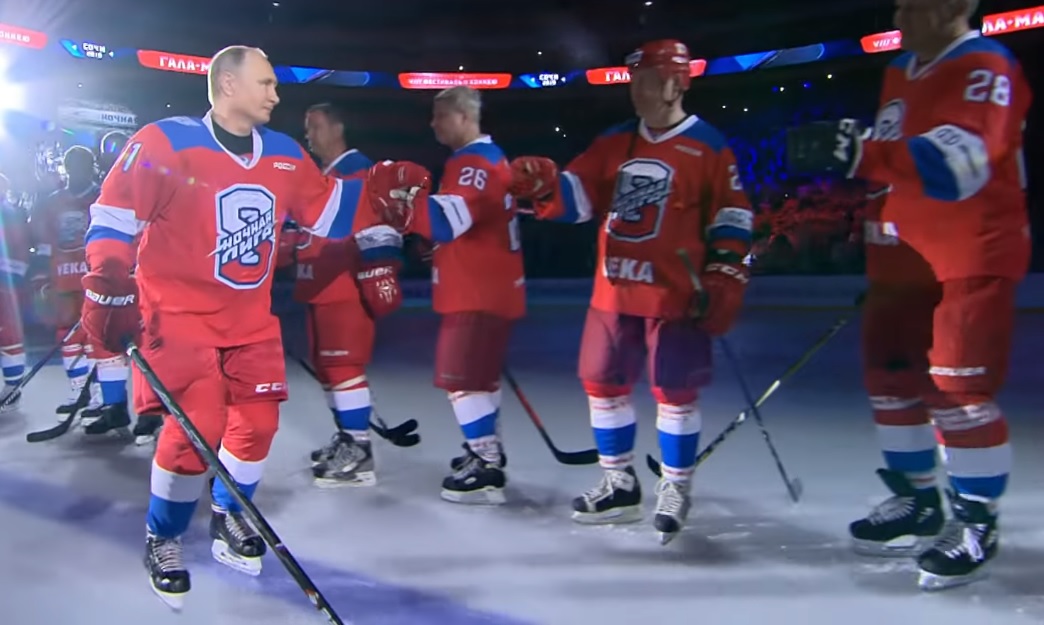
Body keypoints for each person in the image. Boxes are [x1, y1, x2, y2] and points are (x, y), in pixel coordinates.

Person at [81, 45, 415, 609]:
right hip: (179, 318)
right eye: (265, 83)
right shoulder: (164, 142)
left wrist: (380, 199)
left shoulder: (284, 154)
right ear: (228, 86)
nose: (276, 95)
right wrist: (108, 275)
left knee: (257, 426)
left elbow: (329, 214)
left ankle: (228, 515)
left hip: (250, 321)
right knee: (196, 429)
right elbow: (113, 216)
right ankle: (163, 537)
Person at [788, 0, 1029, 591]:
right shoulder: (900, 69)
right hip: (901, 257)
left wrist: (860, 152)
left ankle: (976, 519)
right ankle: (919, 500)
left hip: (966, 255)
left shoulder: (986, 65)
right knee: (891, 380)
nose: (901, 14)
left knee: (958, 390)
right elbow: (894, 161)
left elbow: (962, 163)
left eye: (915, 3)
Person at [509, 39, 753, 544]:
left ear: (676, 83)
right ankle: (619, 483)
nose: (636, 91)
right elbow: (578, 195)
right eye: (633, 81)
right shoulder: (614, 141)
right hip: (614, 291)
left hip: (674, 298)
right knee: (602, 384)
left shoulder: (708, 146)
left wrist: (724, 272)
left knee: (675, 393)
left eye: (646, 81)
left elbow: (732, 215)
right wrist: (546, 185)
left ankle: (676, 486)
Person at [367, 86, 525, 505]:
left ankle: (486, 462)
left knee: (460, 379)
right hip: (488, 288)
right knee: (479, 379)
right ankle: (485, 449)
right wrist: (436, 242)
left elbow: (446, 221)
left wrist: (409, 204)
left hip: (477, 292)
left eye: (440, 115)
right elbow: (468, 225)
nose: (433, 124)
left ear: (463, 117)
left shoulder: (473, 163)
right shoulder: (485, 157)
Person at [286, 102, 400, 487]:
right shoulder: (326, 174)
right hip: (319, 285)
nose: (308, 135)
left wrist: (380, 270)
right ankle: (348, 438)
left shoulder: (358, 170)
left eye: (315, 126)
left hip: (344, 287)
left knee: (344, 367)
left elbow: (379, 227)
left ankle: (359, 452)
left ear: (338, 129)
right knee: (328, 368)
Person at [29, 146, 103, 423]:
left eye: (84, 165)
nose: (78, 171)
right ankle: (78, 390)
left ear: (91, 167)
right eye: (73, 165)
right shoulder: (52, 202)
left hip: (92, 278)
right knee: (67, 336)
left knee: (95, 337)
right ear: (67, 168)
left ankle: (97, 395)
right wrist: (41, 277)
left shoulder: (102, 197)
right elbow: (44, 241)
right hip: (62, 279)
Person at [0, 173, 28, 410]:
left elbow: (19, 250)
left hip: (4, 286)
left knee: (8, 336)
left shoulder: (9, 214)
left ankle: (12, 388)